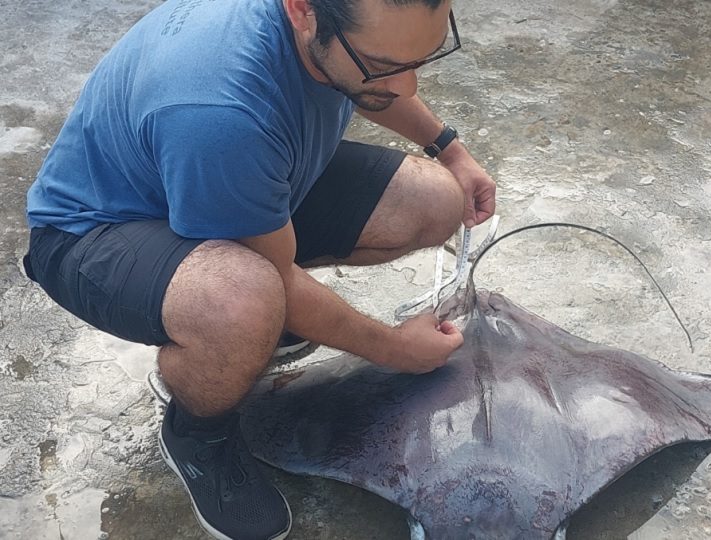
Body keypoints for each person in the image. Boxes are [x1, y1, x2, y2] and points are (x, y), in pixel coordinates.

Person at [23, 0, 496, 538]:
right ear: (304, 13)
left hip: (217, 183)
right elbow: (277, 281)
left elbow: (378, 85)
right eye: (383, 61)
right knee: (245, 300)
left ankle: (248, 320)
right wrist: (395, 349)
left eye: (422, 58)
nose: (406, 86)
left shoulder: (331, 37)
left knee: (436, 198)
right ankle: (199, 435)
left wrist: (450, 151)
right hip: (96, 232)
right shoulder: (219, 107)